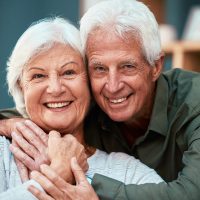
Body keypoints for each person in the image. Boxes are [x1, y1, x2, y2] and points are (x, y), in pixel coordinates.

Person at [26, 0, 200, 199]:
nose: (113, 86)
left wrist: (86, 182)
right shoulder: (87, 101)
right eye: (100, 68)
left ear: (156, 66)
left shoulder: (195, 102)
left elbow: (192, 194)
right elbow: (42, 106)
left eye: (127, 67)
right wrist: (9, 123)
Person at [0, 16, 163, 199]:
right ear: (21, 87)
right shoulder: (3, 153)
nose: (55, 88)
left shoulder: (128, 172)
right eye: (38, 76)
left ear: (90, 83)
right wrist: (59, 172)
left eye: (69, 72)